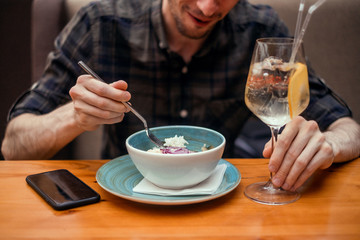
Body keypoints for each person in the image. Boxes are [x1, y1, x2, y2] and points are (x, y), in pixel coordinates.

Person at [1, 0, 359, 192]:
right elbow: (14, 146)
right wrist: (74, 117)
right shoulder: (101, 23)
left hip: (221, 203)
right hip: (121, 203)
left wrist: (327, 145)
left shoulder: (260, 29)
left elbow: (347, 127)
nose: (207, 8)